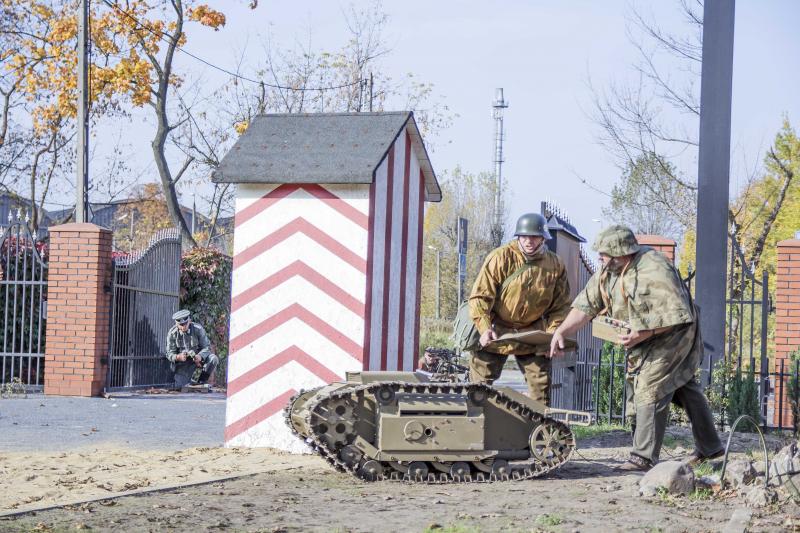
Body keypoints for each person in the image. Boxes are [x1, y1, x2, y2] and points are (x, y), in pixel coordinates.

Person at [550, 225, 723, 472]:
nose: (600, 257)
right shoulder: (607, 272)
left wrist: (643, 333)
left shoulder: (656, 269)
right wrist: (561, 332)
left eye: (604, 253)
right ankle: (711, 447)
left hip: (674, 336)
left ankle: (643, 457)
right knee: (683, 386)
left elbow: (678, 313)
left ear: (621, 253)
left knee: (650, 388)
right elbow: (585, 307)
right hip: (645, 339)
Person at [468, 212, 572, 405]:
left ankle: (538, 424)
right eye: (524, 236)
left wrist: (551, 335)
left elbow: (561, 306)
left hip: (532, 331)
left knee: (540, 392)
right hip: (496, 329)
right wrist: (484, 329)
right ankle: (476, 422)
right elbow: (480, 297)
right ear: (518, 236)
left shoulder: (555, 264)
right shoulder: (500, 257)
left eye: (534, 237)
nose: (528, 241)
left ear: (543, 238)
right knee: (478, 390)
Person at [166, 309, 219, 389]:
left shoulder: (198, 329)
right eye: (181, 325)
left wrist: (200, 356)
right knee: (180, 386)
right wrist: (178, 357)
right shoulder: (172, 333)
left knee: (213, 359)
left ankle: (201, 381)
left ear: (189, 321)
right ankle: (193, 383)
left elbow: (207, 347)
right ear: (176, 324)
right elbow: (169, 353)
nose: (183, 327)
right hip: (184, 363)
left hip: (198, 358)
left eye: (185, 324)